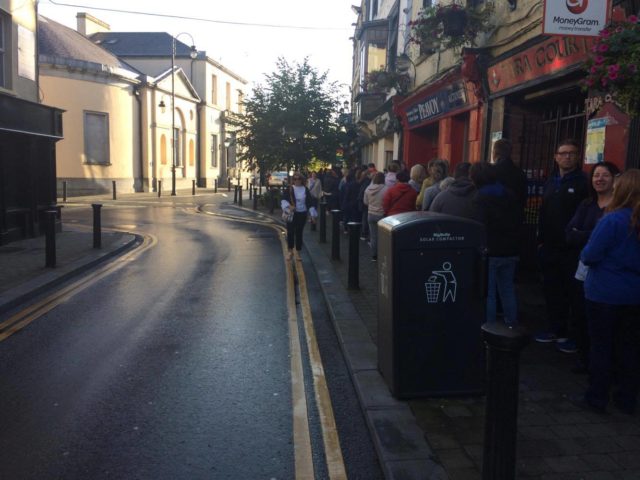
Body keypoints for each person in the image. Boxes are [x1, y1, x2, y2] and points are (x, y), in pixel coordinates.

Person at [577, 169, 640, 414]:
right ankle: (626, 399)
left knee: (601, 347)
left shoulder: (612, 220)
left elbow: (590, 254)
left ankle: (597, 397)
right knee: (629, 348)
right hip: (634, 295)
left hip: (605, 293)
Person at [565, 161, 620, 369]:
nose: (599, 179)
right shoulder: (586, 204)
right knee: (580, 316)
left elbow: (608, 241)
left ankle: (602, 365)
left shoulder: (618, 208)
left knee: (603, 324)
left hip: (606, 275)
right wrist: (594, 236)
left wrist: (585, 235)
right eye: (596, 175)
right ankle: (584, 357)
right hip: (582, 269)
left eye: (605, 175)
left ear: (615, 179)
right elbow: (569, 234)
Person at [536, 139, 589, 347]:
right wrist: (540, 241)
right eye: (563, 153)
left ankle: (574, 337)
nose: (567, 157)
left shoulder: (583, 182)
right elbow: (544, 212)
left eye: (572, 153)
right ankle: (555, 330)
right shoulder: (551, 181)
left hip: (571, 249)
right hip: (549, 247)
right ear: (556, 157)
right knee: (552, 291)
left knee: (574, 294)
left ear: (578, 157)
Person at [470, 162, 522, 326]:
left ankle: (489, 327)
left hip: (490, 250)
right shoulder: (509, 193)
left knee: (489, 292)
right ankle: (512, 324)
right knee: (507, 289)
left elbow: (479, 225)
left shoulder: (480, 197)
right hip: (510, 249)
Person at [283, 172, 314, 261]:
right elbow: (284, 199)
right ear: (293, 180)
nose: (297, 181)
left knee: (299, 233)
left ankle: (298, 252)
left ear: (302, 180)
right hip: (292, 213)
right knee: (290, 232)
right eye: (295, 179)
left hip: (302, 213)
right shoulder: (290, 189)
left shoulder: (305, 189)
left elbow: (309, 202)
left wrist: (312, 214)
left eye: (299, 179)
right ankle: (290, 251)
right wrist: (289, 206)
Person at [492, 138, 528, 212]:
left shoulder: (491, 171)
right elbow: (523, 199)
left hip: (496, 215)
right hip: (514, 216)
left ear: (495, 152)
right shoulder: (520, 173)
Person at [363, 172, 387, 261]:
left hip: (370, 214)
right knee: (382, 237)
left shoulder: (368, 189)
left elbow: (365, 202)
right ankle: (382, 254)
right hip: (381, 215)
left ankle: (374, 255)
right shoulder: (386, 189)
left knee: (373, 236)